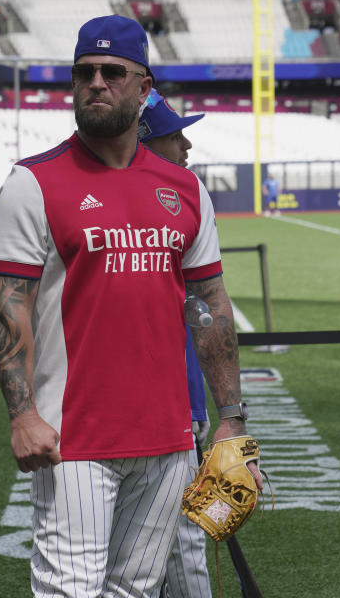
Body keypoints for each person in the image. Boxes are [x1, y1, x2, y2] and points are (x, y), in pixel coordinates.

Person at [0, 15, 262, 598]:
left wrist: (232, 421)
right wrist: (22, 414)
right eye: (84, 72)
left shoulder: (185, 188)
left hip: (169, 439)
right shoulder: (32, 182)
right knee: (69, 592)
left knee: (134, 591)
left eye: (113, 72)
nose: (97, 82)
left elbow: (209, 302)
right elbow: (8, 307)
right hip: (72, 439)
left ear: (143, 87)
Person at [139, 88, 212, 598]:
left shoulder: (185, 195)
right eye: (173, 135)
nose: (185, 145)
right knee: (182, 542)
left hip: (179, 402)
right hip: (166, 407)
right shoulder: (174, 198)